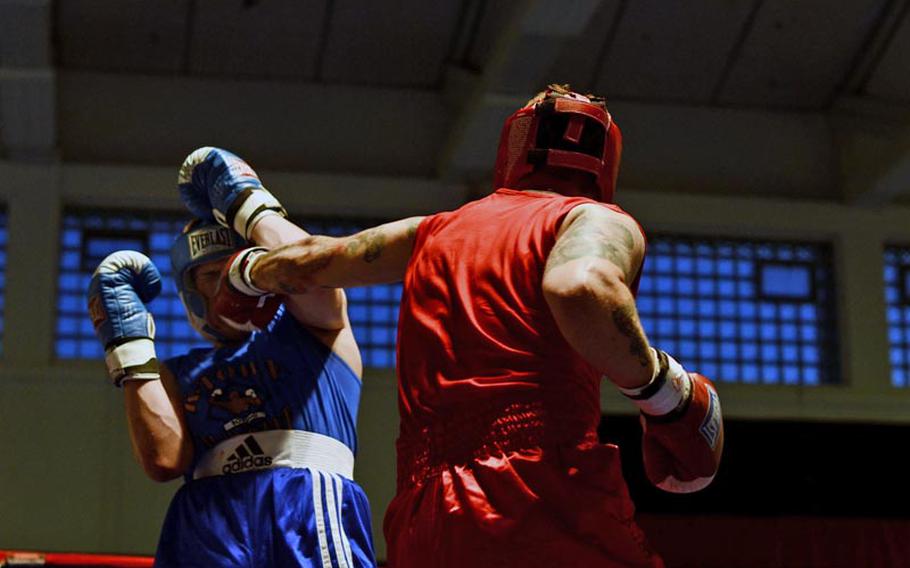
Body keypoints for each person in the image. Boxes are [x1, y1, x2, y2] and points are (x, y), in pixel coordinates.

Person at [210, 86, 725, 567]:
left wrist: (244, 272)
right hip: (539, 489)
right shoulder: (592, 218)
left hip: (424, 506)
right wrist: (667, 394)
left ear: (515, 147)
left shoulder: (432, 230)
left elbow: (310, 261)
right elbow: (580, 286)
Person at [87, 147, 376, 567]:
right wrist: (127, 344)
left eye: (238, 267)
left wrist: (247, 204)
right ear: (190, 292)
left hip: (305, 505)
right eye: (210, 274)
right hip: (207, 521)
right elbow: (164, 461)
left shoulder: (317, 330)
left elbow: (311, 266)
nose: (229, 282)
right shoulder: (176, 372)